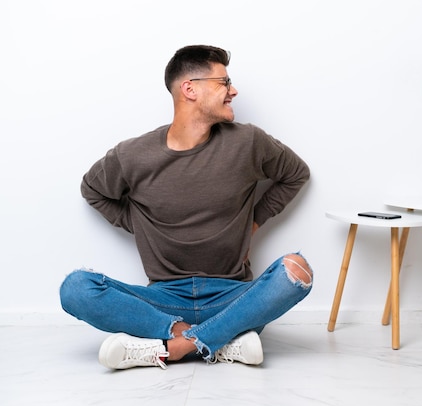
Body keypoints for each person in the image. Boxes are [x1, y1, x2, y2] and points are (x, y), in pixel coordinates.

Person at [60, 45, 313, 370]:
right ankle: (217, 341)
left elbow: (295, 174)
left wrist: (254, 222)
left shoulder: (247, 142)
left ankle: (171, 348)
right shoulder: (133, 155)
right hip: (162, 301)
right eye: (224, 82)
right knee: (76, 288)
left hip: (233, 298)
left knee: (297, 270)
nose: (233, 90)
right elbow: (92, 189)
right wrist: (137, 224)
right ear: (189, 89)